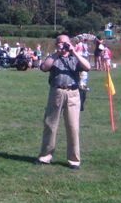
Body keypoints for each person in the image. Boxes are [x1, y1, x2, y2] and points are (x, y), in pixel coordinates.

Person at [37, 34, 91, 170]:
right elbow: (44, 67)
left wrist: (74, 52)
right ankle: (45, 156)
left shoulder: (75, 57)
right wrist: (57, 53)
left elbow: (88, 67)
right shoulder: (53, 57)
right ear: (57, 45)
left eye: (66, 43)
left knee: (73, 127)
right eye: (61, 43)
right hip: (56, 92)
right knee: (50, 125)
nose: (64, 46)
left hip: (73, 93)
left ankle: (74, 160)